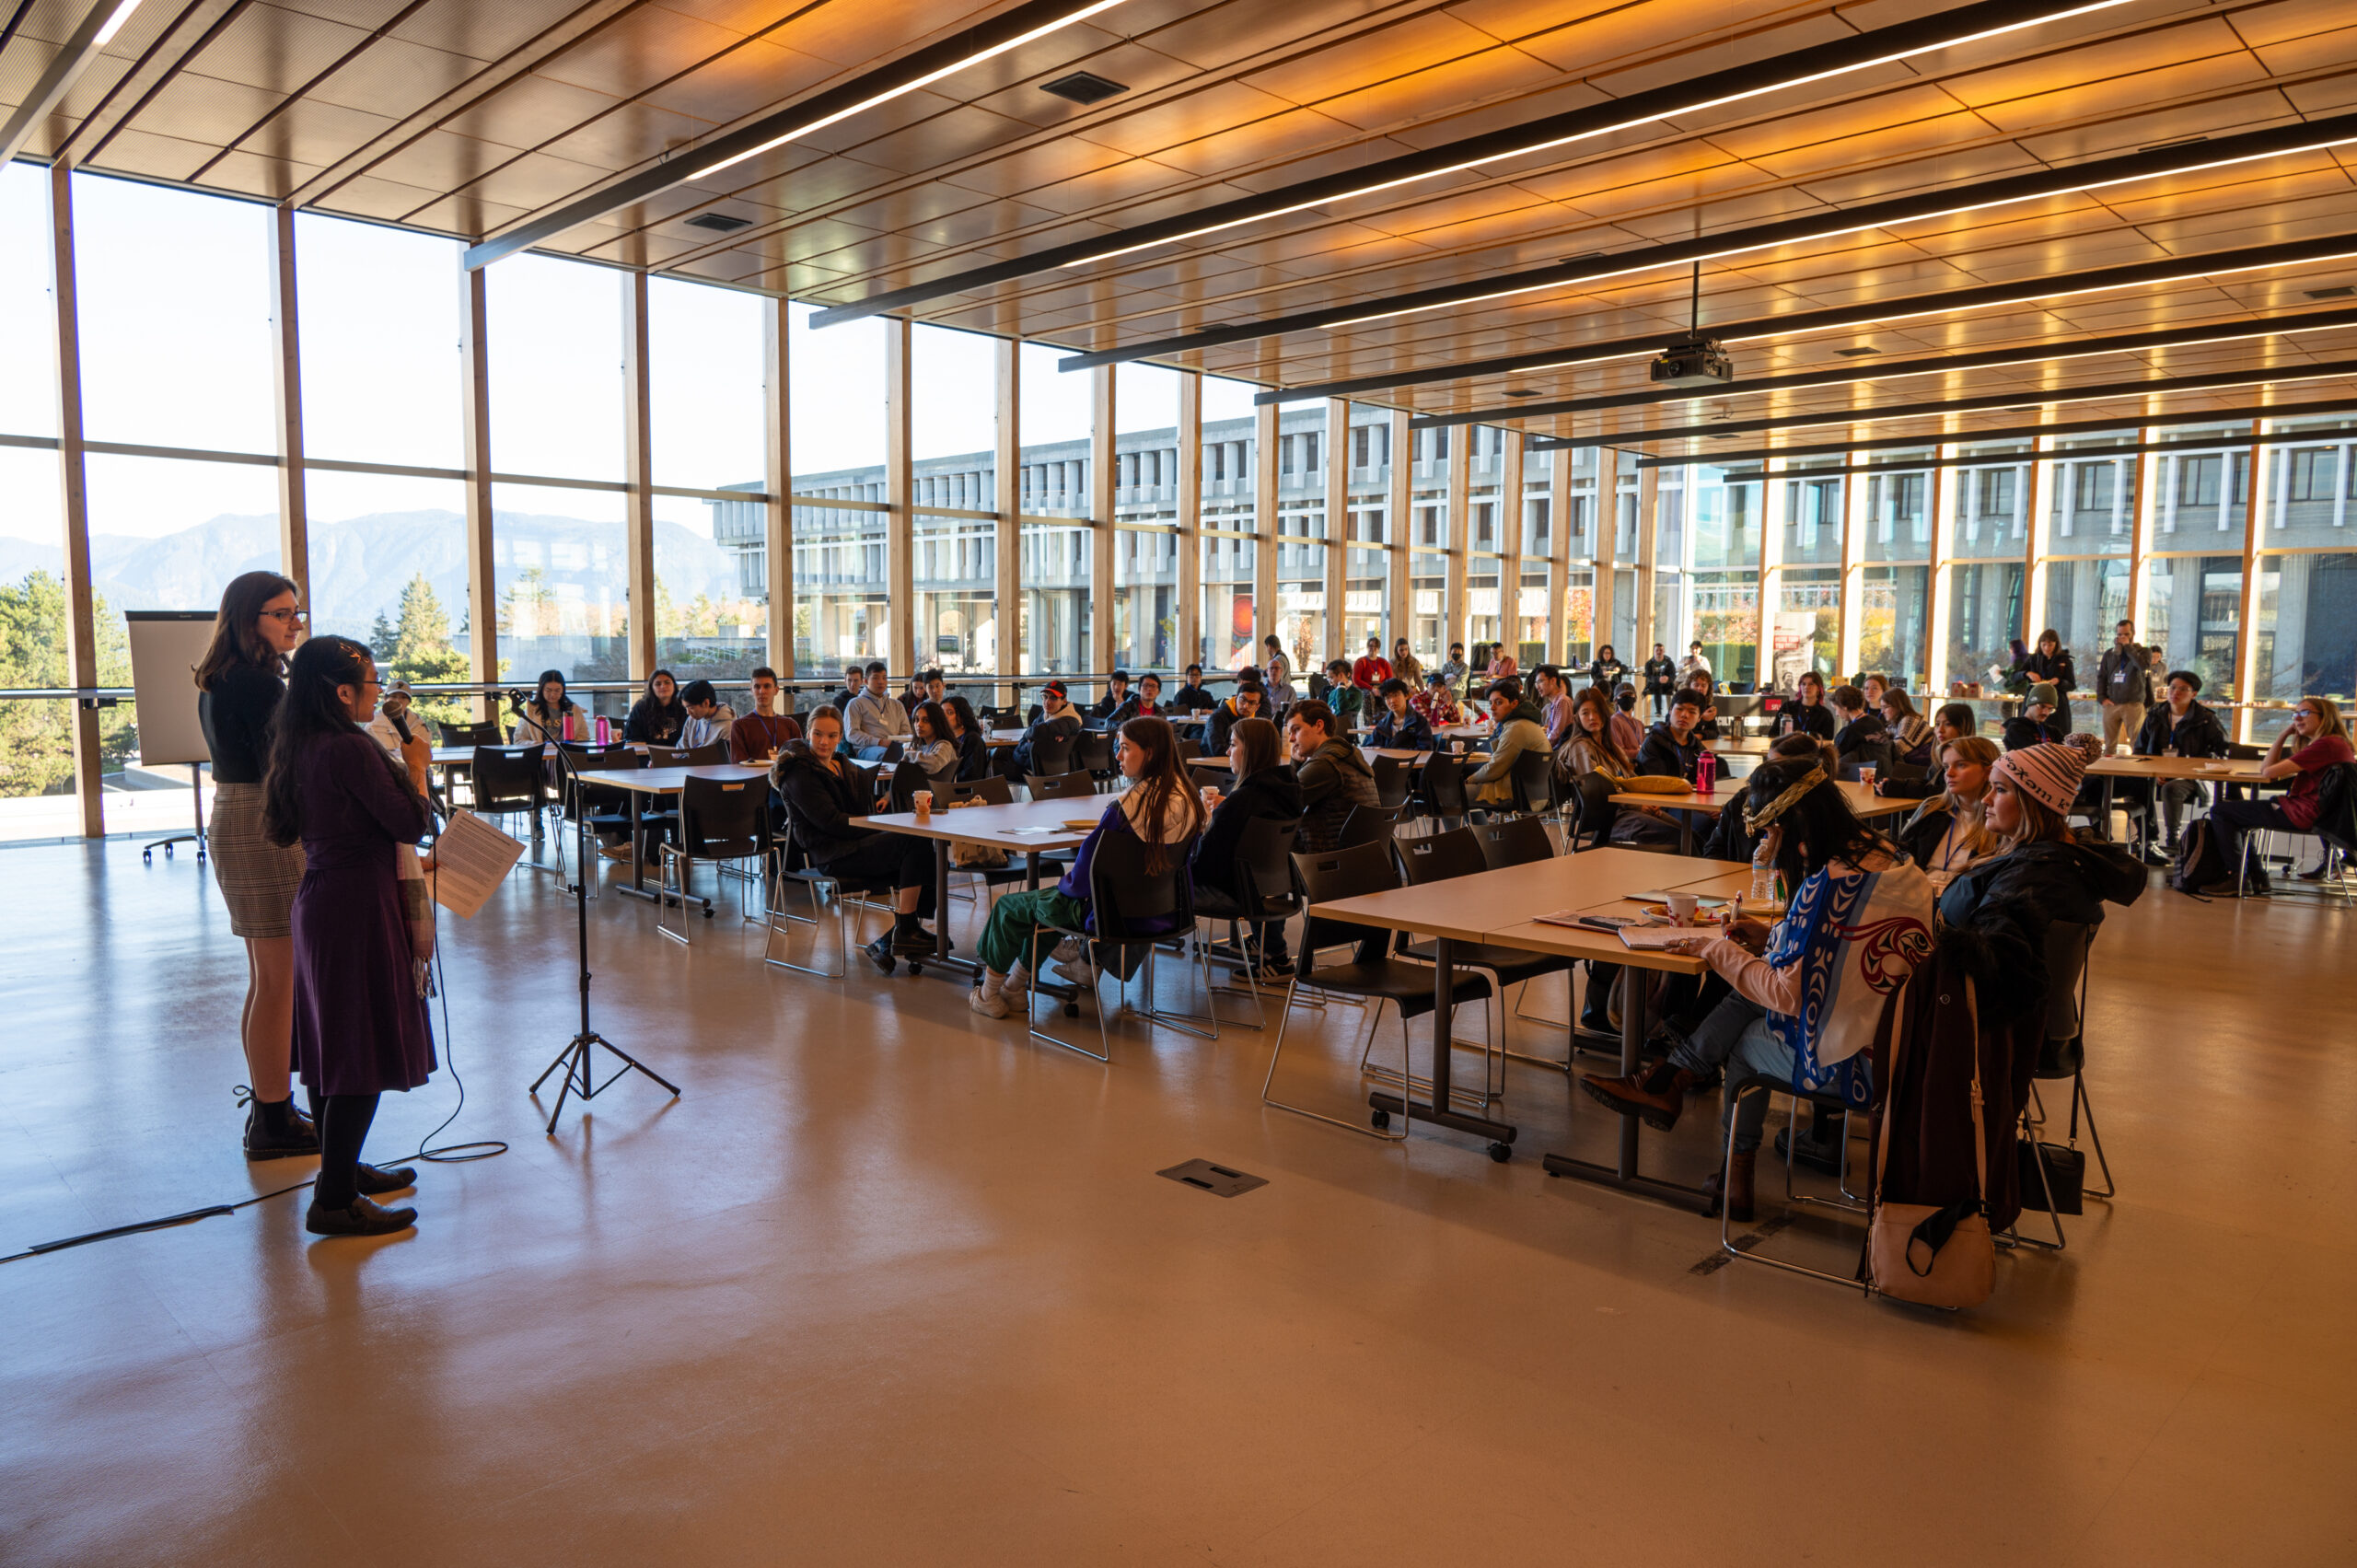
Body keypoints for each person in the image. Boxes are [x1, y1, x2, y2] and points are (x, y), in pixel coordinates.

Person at [1581, 760, 1935, 1222]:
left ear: (1790, 826)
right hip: (1912, 1041)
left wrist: (1714, 948)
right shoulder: (1890, 858)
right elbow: (1835, 962)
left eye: (1769, 834)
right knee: (1748, 993)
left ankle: (1733, 1171)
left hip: (1862, 1064)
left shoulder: (1826, 887)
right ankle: (1671, 1079)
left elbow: (1786, 995)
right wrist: (1773, 939)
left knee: (1746, 1043)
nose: (1767, 847)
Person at [261, 635, 434, 1237]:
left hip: (322, 902)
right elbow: (412, 821)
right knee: (360, 1051)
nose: (380, 691)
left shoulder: (302, 742)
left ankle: (342, 1170)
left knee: (336, 1047)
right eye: (371, 683)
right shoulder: (350, 750)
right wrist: (417, 769)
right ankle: (333, 1199)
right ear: (341, 691)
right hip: (357, 907)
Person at [195, 570, 316, 1162]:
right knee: (278, 979)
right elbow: (288, 767)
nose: (296, 621)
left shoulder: (222, 679)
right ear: (250, 621)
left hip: (236, 817)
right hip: (262, 825)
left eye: (297, 610)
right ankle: (273, 1121)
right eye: (282, 612)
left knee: (266, 976)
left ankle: (273, 1109)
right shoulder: (261, 687)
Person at [969, 716, 1207, 1016]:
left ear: (1150, 752)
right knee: (1044, 908)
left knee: (1013, 907)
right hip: (1164, 912)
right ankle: (1014, 989)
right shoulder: (1189, 801)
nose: (1117, 756)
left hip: (1106, 913)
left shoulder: (1126, 809)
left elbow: (1087, 868)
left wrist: (1065, 892)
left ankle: (989, 994)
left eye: (1125, 748)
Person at [1936, 741, 2146, 1040]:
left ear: (2033, 801)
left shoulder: (2035, 878)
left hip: (1983, 1031)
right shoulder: (2054, 860)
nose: (1986, 799)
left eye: (2000, 789)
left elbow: (1988, 972)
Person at [771, 708, 941, 968]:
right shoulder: (799, 774)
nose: (824, 742)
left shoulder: (844, 766)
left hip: (854, 846)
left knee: (922, 842)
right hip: (832, 855)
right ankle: (904, 931)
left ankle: (894, 936)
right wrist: (881, 826)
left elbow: (862, 813)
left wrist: (883, 825)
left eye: (831, 735)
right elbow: (832, 823)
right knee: (913, 841)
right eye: (817, 734)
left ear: (840, 737)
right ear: (808, 734)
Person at [2203, 697, 2353, 895]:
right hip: (2321, 812)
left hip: (2306, 813)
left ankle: (2238, 878)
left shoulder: (2326, 745)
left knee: (2222, 811)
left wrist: (2282, 735)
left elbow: (2268, 772)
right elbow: (2268, 769)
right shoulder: (2334, 743)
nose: (2297, 719)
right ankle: (2257, 877)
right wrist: (2285, 734)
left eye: (2305, 713)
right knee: (2237, 813)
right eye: (2295, 714)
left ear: (2326, 717)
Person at [1190, 715, 1301, 981]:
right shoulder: (1289, 790)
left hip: (1237, 894)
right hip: (1273, 889)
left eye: (1233, 744)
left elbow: (1206, 866)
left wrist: (1196, 839)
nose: (1227, 751)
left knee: (1159, 884)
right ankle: (1273, 952)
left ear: (1249, 750)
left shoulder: (1241, 801)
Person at [2128, 669, 2229, 864]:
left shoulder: (2206, 719)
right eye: (2173, 687)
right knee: (2134, 786)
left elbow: (2222, 753)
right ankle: (2148, 840)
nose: (2176, 692)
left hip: (2193, 778)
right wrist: (2152, 772)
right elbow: (2140, 749)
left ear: (2194, 694)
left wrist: (2189, 769)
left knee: (2171, 788)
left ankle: (2172, 839)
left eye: (2183, 689)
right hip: (2157, 774)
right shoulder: (2155, 715)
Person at [1893, 736, 2001, 890]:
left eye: (1961, 765)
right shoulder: (1931, 810)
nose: (1949, 773)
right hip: (1917, 893)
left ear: (1988, 772)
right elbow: (1903, 857)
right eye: (1945, 767)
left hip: (1962, 901)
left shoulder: (2001, 823)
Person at [1290, 699, 1380, 852]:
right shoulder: (1347, 753)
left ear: (1319, 725)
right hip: (1362, 856)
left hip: (1332, 860)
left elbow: (1284, 802)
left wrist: (1294, 764)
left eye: (1296, 730)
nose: (1292, 739)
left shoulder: (1326, 763)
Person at [1464, 677, 1550, 808]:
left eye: (1498, 703)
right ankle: (1481, 829)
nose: (1492, 708)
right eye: (1491, 702)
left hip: (1516, 794)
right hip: (1533, 793)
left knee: (1451, 793)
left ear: (1514, 704)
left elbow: (1495, 768)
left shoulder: (1517, 727)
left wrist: (1468, 780)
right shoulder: (1524, 722)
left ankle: (1476, 829)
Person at [1875, 702, 1979, 799]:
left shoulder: (1969, 758)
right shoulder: (1939, 754)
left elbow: (1943, 791)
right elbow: (1928, 784)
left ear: (1963, 727)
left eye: (1947, 724)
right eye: (1937, 724)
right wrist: (1894, 783)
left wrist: (1898, 787)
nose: (1940, 730)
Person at [365, 678, 435, 796]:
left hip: (417, 773)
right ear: (385, 699)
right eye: (394, 696)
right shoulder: (373, 725)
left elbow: (425, 752)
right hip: (386, 775)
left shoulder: (419, 724)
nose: (398, 701)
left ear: (409, 701)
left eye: (403, 697)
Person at [2096, 620, 2152, 751]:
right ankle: (2108, 771)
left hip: (2133, 703)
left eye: (2126, 634)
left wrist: (2128, 647)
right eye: (2119, 634)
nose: (2122, 637)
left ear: (2133, 633)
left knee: (2136, 742)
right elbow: (2102, 677)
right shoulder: (2110, 654)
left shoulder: (2144, 651)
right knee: (2109, 744)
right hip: (2111, 703)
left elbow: (2143, 666)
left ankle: (2136, 771)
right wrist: (2101, 697)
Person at [728, 667, 803, 763]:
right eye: (757, 687)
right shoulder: (740, 726)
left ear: (776, 690)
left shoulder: (790, 725)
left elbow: (802, 760)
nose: (761, 691)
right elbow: (738, 766)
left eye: (767, 686)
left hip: (785, 777)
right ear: (752, 690)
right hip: (754, 777)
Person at [1011, 679, 1085, 775]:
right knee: (997, 754)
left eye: (1053, 698)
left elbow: (1035, 732)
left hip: (1039, 768)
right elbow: (1025, 738)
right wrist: (1030, 743)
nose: (1047, 702)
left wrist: (1030, 741)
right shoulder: (1044, 715)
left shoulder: (1070, 720)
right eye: (1045, 697)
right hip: (1031, 761)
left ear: (1064, 701)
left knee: (995, 762)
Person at [844, 661, 908, 760]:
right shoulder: (856, 703)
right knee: (887, 754)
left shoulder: (897, 705)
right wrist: (879, 742)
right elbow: (852, 734)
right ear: (866, 681)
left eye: (884, 678)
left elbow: (906, 732)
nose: (880, 681)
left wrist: (899, 745)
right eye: (875, 678)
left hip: (896, 747)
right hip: (868, 749)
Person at [2020, 628, 2077, 734]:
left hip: (2056, 705)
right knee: (2030, 734)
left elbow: (2072, 685)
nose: (2046, 648)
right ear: (2039, 644)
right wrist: (2028, 673)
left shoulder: (2065, 660)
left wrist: (2058, 682)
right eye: (2044, 644)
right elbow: (2015, 676)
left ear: (2056, 644)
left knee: (2056, 736)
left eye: (2050, 645)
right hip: (2034, 701)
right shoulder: (2033, 659)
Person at [513, 668, 581, 747]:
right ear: (541, 689)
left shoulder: (573, 709)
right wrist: (535, 744)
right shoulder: (531, 710)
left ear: (563, 690)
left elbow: (583, 738)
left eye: (557, 690)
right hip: (540, 756)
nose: (552, 694)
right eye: (548, 690)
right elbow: (518, 740)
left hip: (565, 755)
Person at [903, 701, 958, 792]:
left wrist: (909, 755)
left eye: (926, 720)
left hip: (936, 800)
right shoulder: (924, 747)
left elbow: (934, 765)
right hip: (922, 796)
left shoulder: (945, 746)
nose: (919, 724)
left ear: (937, 723)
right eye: (916, 720)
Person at [1367, 677, 1433, 751]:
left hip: (1412, 762)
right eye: (1387, 697)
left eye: (1396, 695)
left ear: (1406, 696)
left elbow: (1426, 749)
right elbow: (1370, 747)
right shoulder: (1383, 724)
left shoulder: (1419, 721)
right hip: (1386, 762)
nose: (1392, 701)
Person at [624, 668, 685, 746]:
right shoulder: (641, 708)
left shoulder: (684, 706)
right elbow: (632, 737)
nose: (663, 686)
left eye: (667, 682)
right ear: (652, 688)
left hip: (679, 754)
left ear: (674, 685)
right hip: (648, 754)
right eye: (658, 684)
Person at [1204, 680, 1264, 758]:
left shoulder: (1253, 720)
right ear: (1236, 698)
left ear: (1257, 707)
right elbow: (1218, 750)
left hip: (1239, 764)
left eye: (1252, 703)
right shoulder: (1217, 717)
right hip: (1213, 764)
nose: (1245, 706)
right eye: (1242, 700)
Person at [1772, 669, 1837, 741]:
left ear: (1818, 688)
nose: (1806, 687)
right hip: (1788, 749)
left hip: (1812, 751)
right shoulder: (1788, 707)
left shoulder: (1825, 715)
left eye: (1811, 684)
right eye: (1803, 684)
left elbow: (1827, 740)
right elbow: (1773, 733)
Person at [674, 679, 736, 752]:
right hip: (689, 763)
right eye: (686, 708)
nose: (688, 712)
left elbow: (725, 758)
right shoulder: (692, 719)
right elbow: (681, 748)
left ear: (706, 703)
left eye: (691, 707)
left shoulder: (728, 726)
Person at [1830, 683, 1887, 762]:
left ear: (1844, 706)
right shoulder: (1876, 722)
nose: (1837, 714)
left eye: (1836, 708)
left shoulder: (1851, 731)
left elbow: (1834, 757)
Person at [2004, 682, 2068, 751]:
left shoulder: (2053, 732)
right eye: (2042, 706)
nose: (2046, 713)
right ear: (2030, 704)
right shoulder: (2016, 729)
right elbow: (2033, 756)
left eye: (2050, 709)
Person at [943, 694, 990, 782]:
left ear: (962, 716)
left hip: (962, 790)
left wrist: (948, 780)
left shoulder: (973, 740)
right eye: (942, 713)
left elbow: (973, 775)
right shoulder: (945, 739)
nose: (944, 717)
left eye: (950, 713)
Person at [1880, 687, 1933, 763]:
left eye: (1885, 707)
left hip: (1921, 769)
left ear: (1898, 706)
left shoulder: (1910, 720)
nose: (1882, 712)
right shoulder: (1893, 724)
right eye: (1881, 708)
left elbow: (1899, 748)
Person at [1533, 664, 1572, 746]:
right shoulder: (1555, 702)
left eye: (1540, 681)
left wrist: (1540, 746)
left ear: (1553, 681)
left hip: (1557, 753)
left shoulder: (1562, 701)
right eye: (1536, 683)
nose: (1537, 687)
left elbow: (1557, 735)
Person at [1321, 659, 1365, 727]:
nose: (1330, 682)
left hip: (1344, 731)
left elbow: (1343, 707)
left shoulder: (1356, 693)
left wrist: (1341, 686)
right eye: (1328, 679)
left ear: (1341, 675)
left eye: (1331, 678)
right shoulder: (1333, 692)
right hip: (1331, 728)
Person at [1682, 669, 1720, 742]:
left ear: (1708, 688)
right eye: (1696, 685)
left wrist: (1701, 735)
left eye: (1704, 685)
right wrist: (1702, 719)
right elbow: (1680, 730)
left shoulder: (1707, 707)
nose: (1700, 688)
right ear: (1689, 686)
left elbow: (1715, 732)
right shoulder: (1680, 703)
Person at [1642, 644, 1678, 719]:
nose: (1659, 652)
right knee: (1658, 685)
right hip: (1656, 685)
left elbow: (1673, 676)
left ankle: (1658, 711)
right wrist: (1658, 679)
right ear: (1654, 651)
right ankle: (1659, 711)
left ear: (1664, 651)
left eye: (1661, 650)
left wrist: (1667, 679)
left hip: (1667, 686)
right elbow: (1648, 677)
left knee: (1656, 686)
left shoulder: (1669, 663)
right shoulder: (1649, 663)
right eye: (1657, 650)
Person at [1608, 683, 1644, 757]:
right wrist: (1640, 753)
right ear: (1616, 700)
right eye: (1623, 696)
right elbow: (1619, 752)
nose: (1627, 698)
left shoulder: (1639, 724)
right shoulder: (1614, 721)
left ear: (1635, 698)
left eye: (1630, 695)